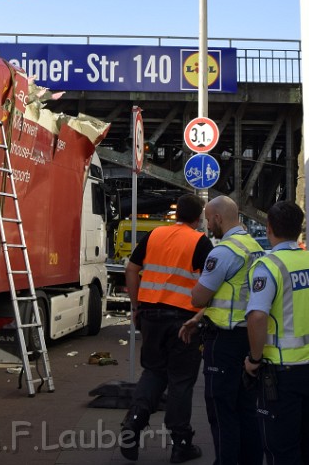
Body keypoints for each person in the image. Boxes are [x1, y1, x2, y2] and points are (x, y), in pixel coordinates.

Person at [244, 200, 309, 465]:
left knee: (281, 449)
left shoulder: (269, 266)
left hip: (281, 376)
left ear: (268, 229)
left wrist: (254, 359)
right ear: (299, 229)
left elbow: (257, 315)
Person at [122, 193, 213, 463]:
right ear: (198, 218)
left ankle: (133, 423)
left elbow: (131, 269)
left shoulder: (155, 236)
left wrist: (136, 306)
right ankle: (181, 443)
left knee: (153, 371)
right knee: (181, 381)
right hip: (184, 321)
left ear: (175, 214)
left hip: (150, 315)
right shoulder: (200, 241)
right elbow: (210, 282)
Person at [178, 196, 265, 465]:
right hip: (249, 338)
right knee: (246, 411)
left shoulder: (223, 252)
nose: (206, 224)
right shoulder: (255, 247)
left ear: (218, 217)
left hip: (225, 343)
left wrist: (198, 307)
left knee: (221, 411)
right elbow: (238, 293)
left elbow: (199, 297)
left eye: (208, 218)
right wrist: (200, 318)